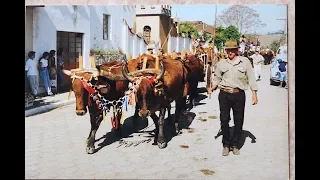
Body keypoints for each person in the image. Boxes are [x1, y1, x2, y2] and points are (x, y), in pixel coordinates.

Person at [208, 40, 258, 156]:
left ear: (237, 50)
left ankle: (235, 145)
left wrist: (254, 94)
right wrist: (213, 87)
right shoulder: (221, 63)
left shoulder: (245, 62)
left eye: (232, 50)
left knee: (238, 120)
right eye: (228, 50)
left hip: (239, 94)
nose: (230, 52)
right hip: (224, 94)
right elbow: (217, 78)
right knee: (224, 120)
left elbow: (251, 78)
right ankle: (226, 145)